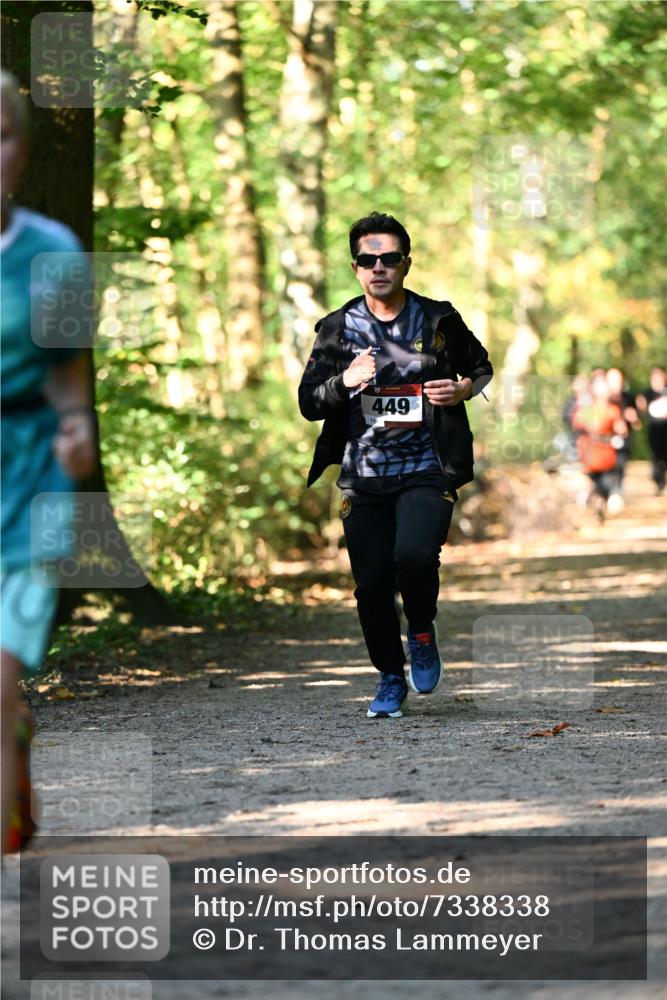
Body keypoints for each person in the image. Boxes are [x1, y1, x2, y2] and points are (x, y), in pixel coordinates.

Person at [298, 212, 492, 718]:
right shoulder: (338, 329)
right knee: (372, 584)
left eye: (388, 258)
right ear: (356, 268)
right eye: (368, 259)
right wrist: (344, 380)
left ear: (406, 263)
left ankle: (422, 629)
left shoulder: (437, 319)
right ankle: (389, 675)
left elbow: (480, 365)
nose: (378, 267)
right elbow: (309, 402)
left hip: (428, 463)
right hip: (364, 475)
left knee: (413, 556)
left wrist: (463, 389)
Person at [1, 71, 97, 852]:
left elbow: (68, 373)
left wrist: (75, 427)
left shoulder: (54, 253)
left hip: (30, 477)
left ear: (22, 149)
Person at [571, 372, 625, 521]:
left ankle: (600, 503)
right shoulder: (588, 408)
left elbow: (620, 428)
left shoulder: (613, 409)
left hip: (607, 453)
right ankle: (592, 501)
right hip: (591, 452)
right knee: (593, 481)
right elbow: (579, 425)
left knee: (606, 483)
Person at [605, 367, 640, 511]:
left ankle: (616, 491)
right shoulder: (602, 399)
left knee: (620, 465)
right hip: (605, 441)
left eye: (618, 380)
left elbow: (637, 423)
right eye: (613, 380)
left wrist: (633, 418)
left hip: (624, 439)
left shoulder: (629, 398)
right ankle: (608, 493)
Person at [636, 366, 667, 495]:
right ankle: (659, 482)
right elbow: (640, 407)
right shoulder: (647, 393)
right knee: (656, 459)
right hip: (654, 432)